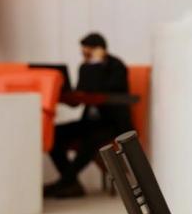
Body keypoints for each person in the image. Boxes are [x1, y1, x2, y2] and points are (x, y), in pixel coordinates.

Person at [45, 33, 133, 198]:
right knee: (53, 134)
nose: (84, 54)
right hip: (89, 122)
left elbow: (106, 89)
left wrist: (97, 64)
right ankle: (71, 183)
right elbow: (83, 90)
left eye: (87, 50)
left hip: (112, 122)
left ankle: (64, 183)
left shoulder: (116, 66)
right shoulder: (85, 67)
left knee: (92, 140)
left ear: (100, 49)